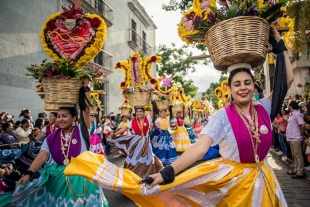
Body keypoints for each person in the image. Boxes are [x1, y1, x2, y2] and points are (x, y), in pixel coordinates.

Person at [64, 28, 293, 206]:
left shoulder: (263, 107)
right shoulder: (222, 117)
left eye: (247, 83)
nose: (242, 88)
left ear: (254, 85)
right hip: (234, 186)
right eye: (237, 84)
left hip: (264, 178)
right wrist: (167, 172)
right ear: (230, 88)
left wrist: (279, 46)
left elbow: (287, 81)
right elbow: (199, 148)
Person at [0, 79, 109, 206]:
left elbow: (85, 110)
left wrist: (85, 88)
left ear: (74, 118)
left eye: (64, 116)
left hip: (82, 179)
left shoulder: (81, 131)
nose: (60, 119)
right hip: (57, 180)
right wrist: (28, 174)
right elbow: (42, 157)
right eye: (59, 116)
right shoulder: (51, 137)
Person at [109, 107, 163, 177]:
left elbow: (156, 110)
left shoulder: (148, 118)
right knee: (136, 157)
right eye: (137, 111)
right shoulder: (132, 121)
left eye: (141, 111)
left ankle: (146, 174)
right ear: (136, 113)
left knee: (146, 157)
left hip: (146, 141)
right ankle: (135, 174)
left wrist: (152, 98)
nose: (139, 113)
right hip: (136, 142)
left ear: (143, 112)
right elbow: (123, 129)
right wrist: (114, 134)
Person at [286, 101, 305, 178]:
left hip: (296, 138)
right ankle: (296, 170)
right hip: (292, 138)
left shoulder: (297, 114)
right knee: (295, 155)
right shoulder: (292, 114)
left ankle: (300, 172)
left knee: (298, 155)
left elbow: (302, 125)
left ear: (291, 106)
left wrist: (302, 134)